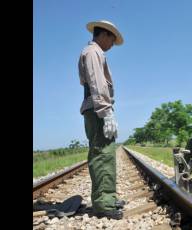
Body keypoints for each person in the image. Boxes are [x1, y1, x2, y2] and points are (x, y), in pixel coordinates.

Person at [78, 20, 125, 220]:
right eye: (112, 40)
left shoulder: (96, 53)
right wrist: (106, 111)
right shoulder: (93, 52)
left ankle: (108, 197)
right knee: (102, 153)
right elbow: (97, 83)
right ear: (104, 35)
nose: (112, 44)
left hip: (97, 108)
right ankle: (103, 203)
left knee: (106, 152)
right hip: (97, 109)